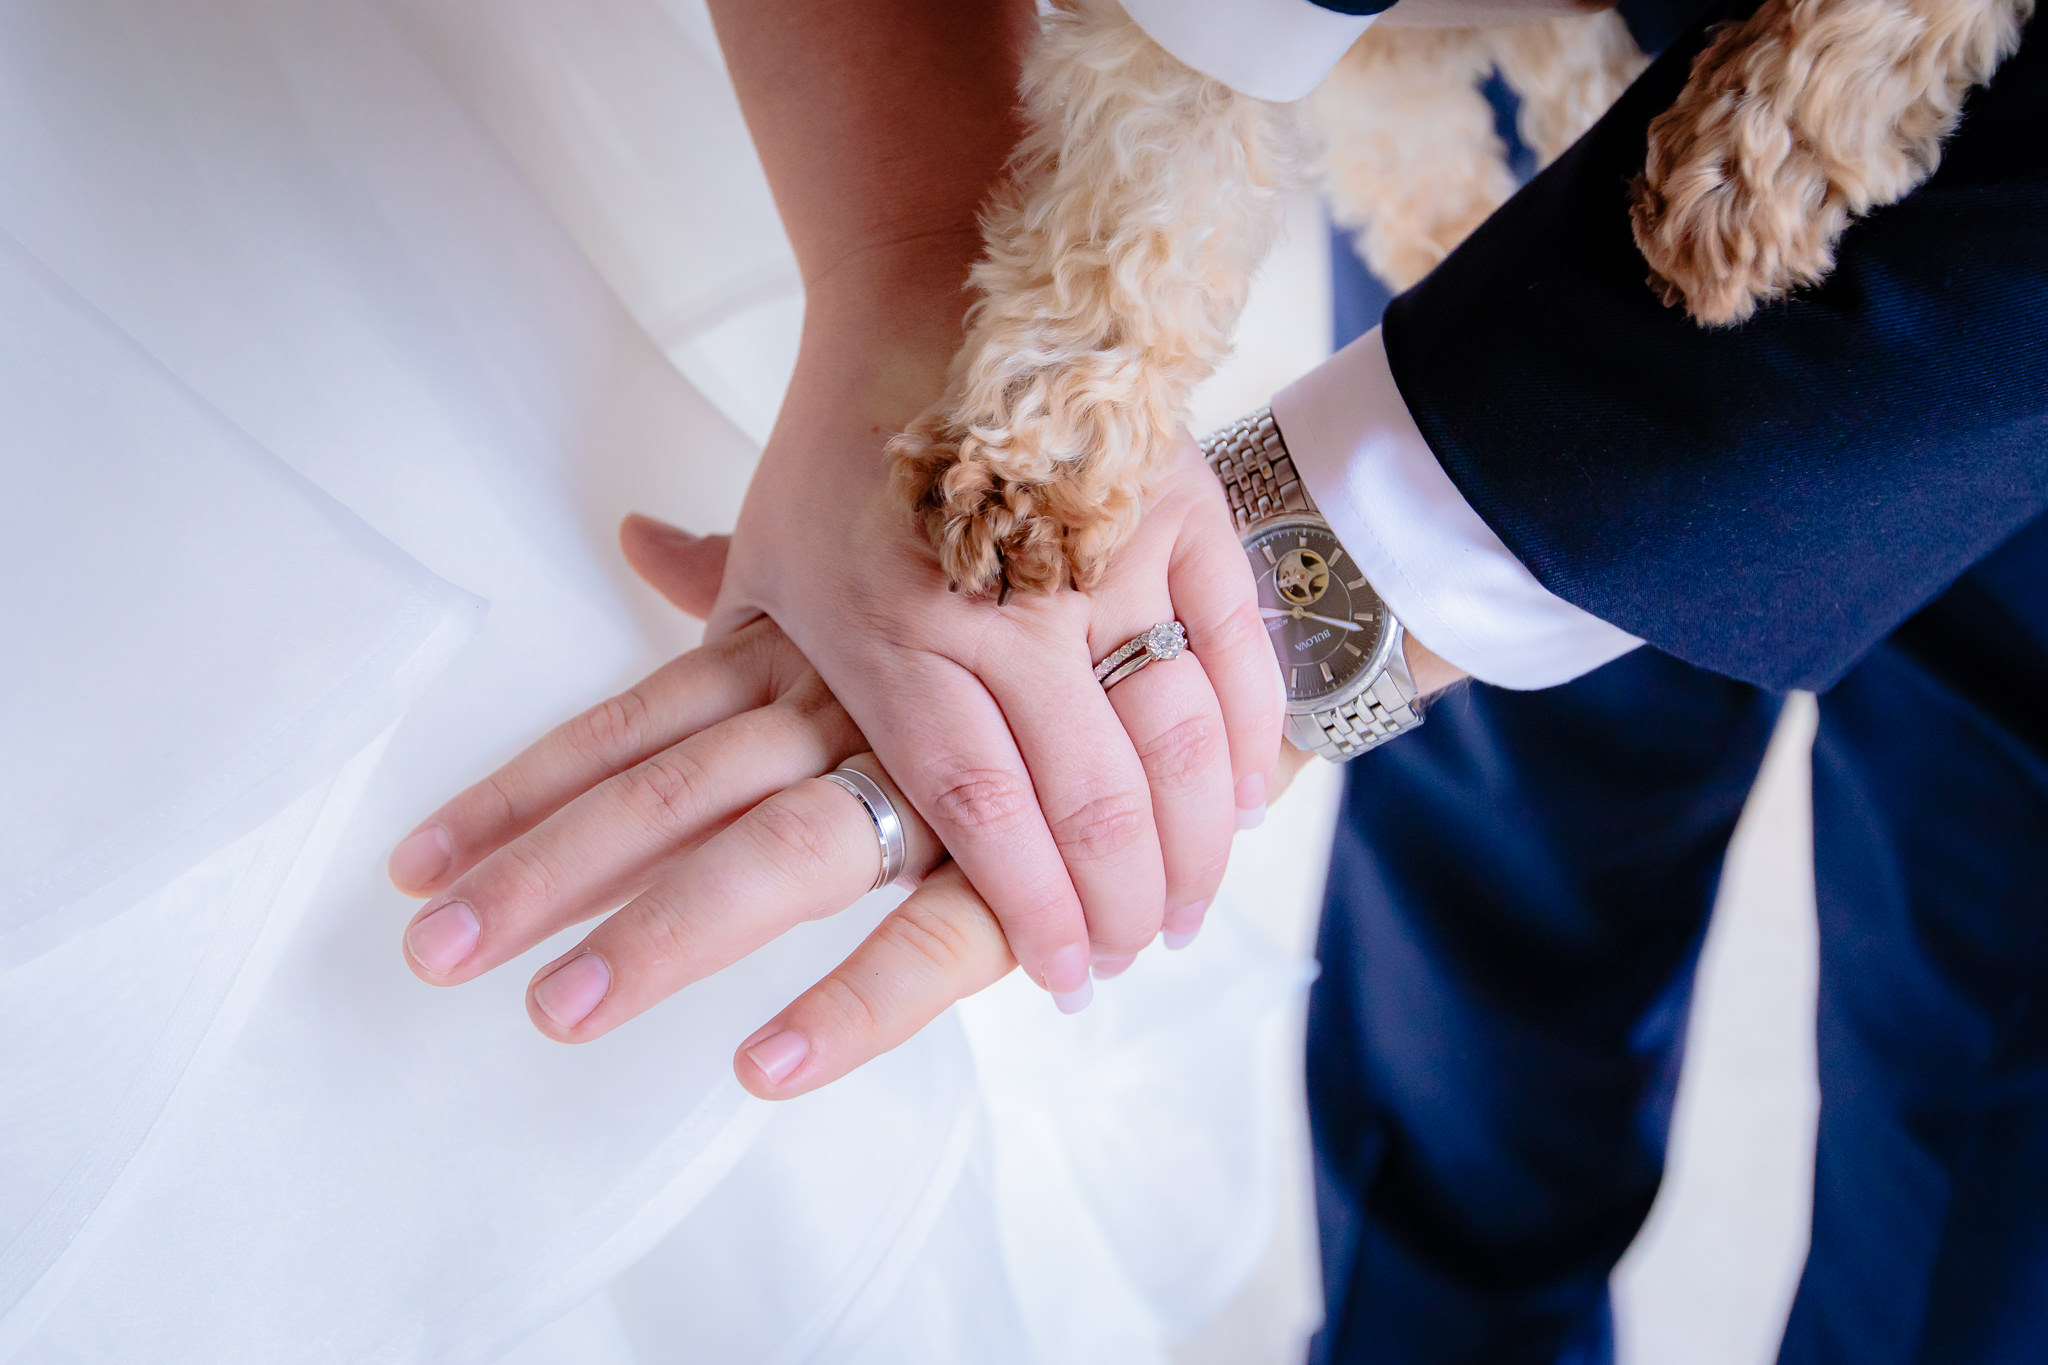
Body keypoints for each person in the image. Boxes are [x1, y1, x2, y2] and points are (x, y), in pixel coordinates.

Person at [405, 0, 2048, 1360]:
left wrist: (1232, 613)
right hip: (1501, 112)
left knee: (1987, 1050)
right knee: (1482, 910)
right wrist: (916, 275)